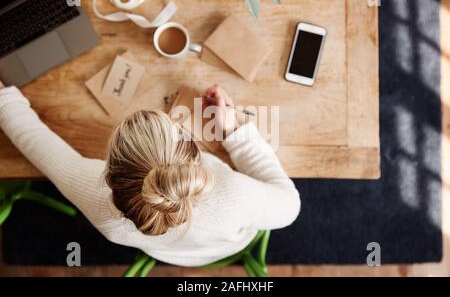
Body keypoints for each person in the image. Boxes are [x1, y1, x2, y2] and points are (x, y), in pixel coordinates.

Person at [0, 81, 300, 266]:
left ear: (108, 171)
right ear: (192, 152)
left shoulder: (95, 197)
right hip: (226, 244)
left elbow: (34, 140)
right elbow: (290, 206)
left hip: (167, 253)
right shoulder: (236, 194)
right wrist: (235, 130)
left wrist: (4, 99)